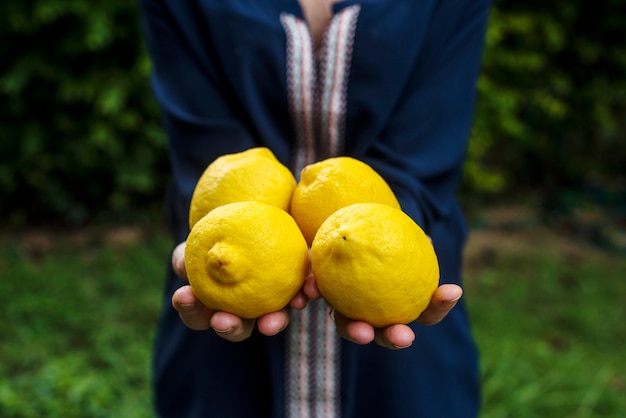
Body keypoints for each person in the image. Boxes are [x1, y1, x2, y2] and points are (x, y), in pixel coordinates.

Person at [138, 0, 492, 416]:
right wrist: (224, 241)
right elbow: (205, 155)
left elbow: (424, 151)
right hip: (226, 311)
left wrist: (390, 233)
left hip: (396, 321)